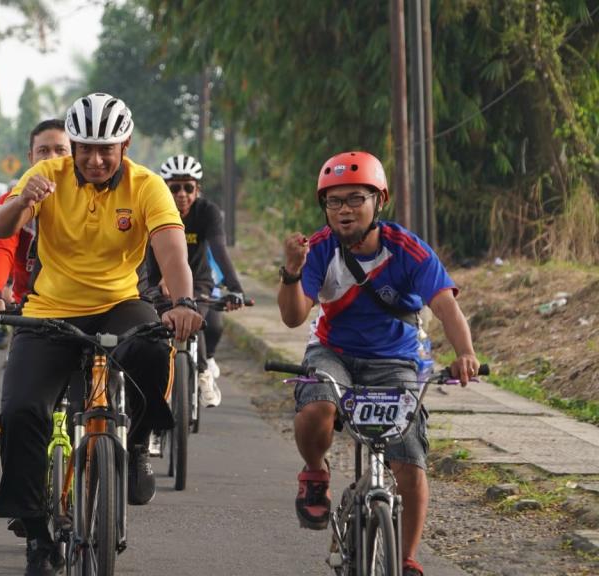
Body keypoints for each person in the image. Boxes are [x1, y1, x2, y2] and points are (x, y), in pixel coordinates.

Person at [0, 93, 203, 575]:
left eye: (106, 148)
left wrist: (184, 302)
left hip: (118, 304)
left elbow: (171, 251)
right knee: (21, 411)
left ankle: (139, 444)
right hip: (50, 310)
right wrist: (24, 201)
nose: (95, 159)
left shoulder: (148, 185)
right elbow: (3, 227)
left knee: (153, 346)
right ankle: (37, 535)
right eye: (84, 147)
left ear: (125, 144)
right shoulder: (47, 176)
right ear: (73, 145)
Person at [276, 151, 480, 576]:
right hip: (333, 352)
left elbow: (445, 306)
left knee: (410, 462)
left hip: (398, 359)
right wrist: (292, 273)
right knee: (316, 407)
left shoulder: (406, 249)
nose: (345, 210)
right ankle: (315, 473)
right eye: (334, 202)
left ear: (378, 201)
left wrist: (464, 352)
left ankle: (404, 558)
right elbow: (294, 317)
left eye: (355, 199)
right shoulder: (319, 250)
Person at [145, 154, 246, 408]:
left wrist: (235, 288)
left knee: (204, 322)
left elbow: (219, 249)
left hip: (198, 280)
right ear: (165, 188)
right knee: (152, 328)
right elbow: (143, 252)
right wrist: (156, 282)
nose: (182, 194)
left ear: (197, 189)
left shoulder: (207, 212)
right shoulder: (152, 207)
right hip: (160, 279)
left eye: (188, 187)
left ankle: (203, 372)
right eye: (174, 188)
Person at [0, 119, 70, 351]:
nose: (51, 158)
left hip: (81, 302)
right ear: (31, 157)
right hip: (30, 303)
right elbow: (2, 248)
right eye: (43, 151)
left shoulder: (92, 195)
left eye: (60, 150)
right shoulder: (13, 201)